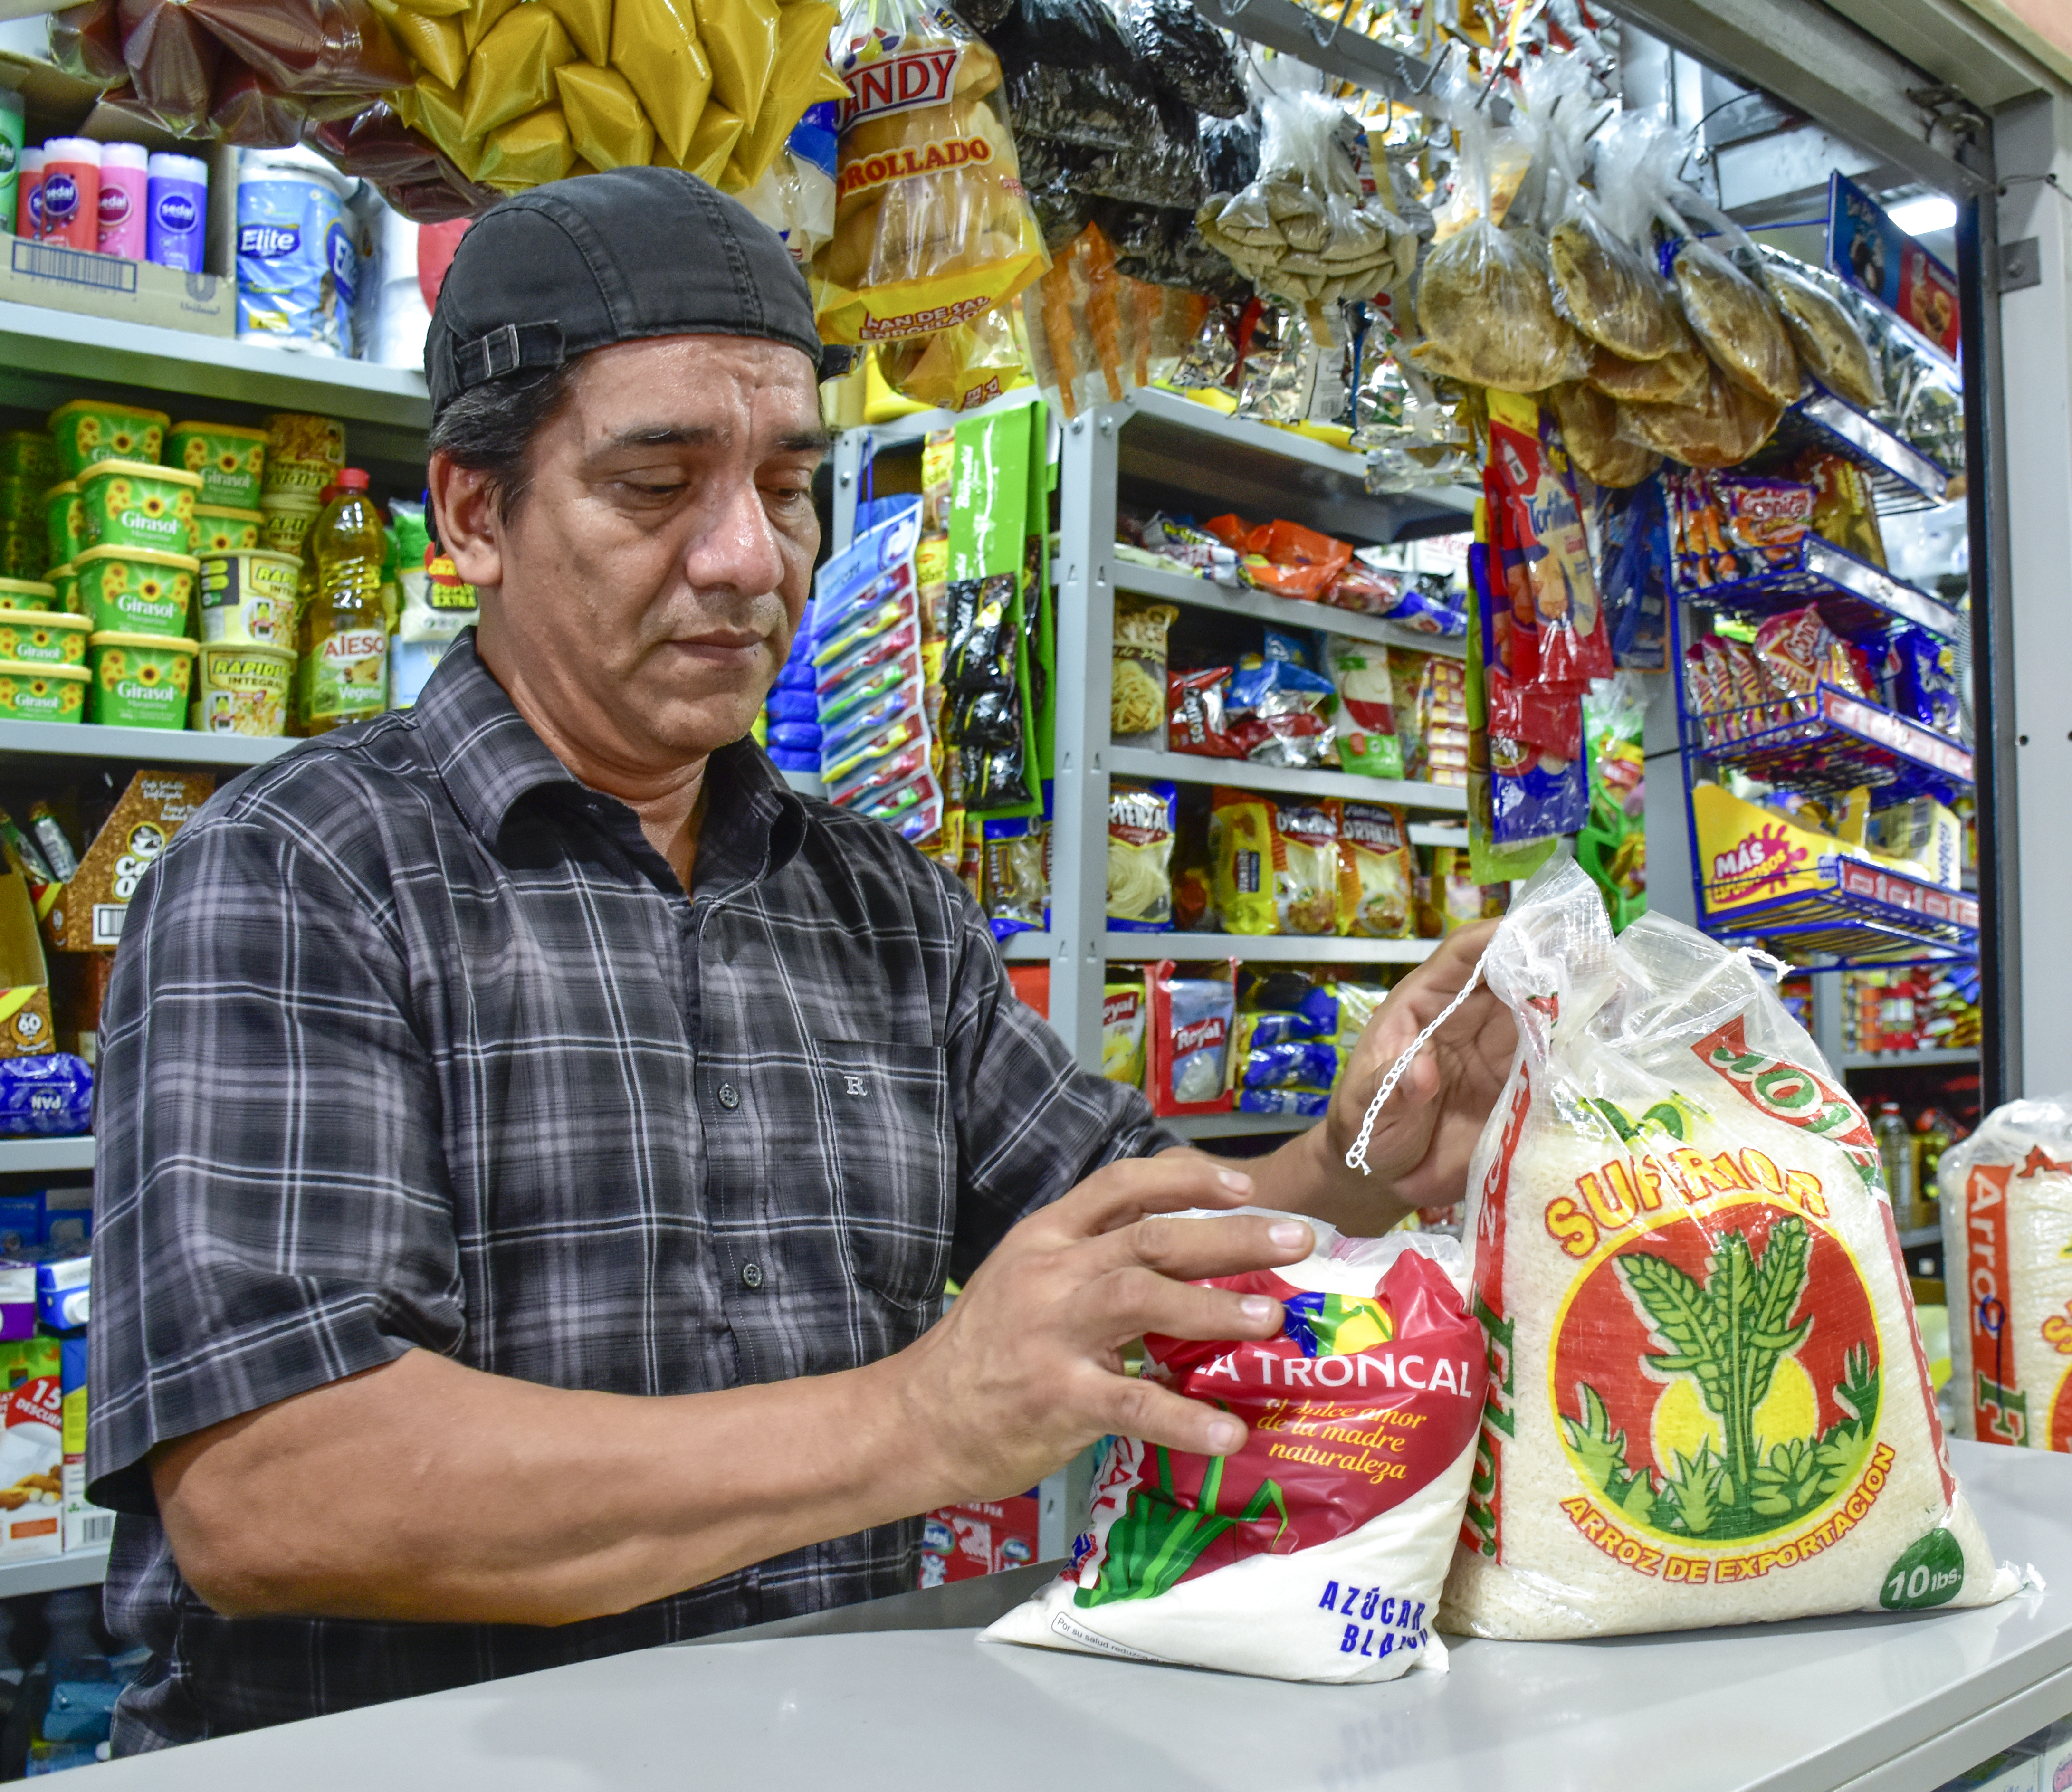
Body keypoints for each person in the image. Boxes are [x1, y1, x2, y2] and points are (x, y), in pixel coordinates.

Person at [87, 168, 1517, 1752]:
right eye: (655, 485)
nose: (748, 561)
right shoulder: (298, 873)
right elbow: (277, 1488)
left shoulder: (876, 903)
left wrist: (1361, 1153)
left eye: (785, 482)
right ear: (475, 514)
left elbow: (1150, 1233)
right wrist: (915, 1419)